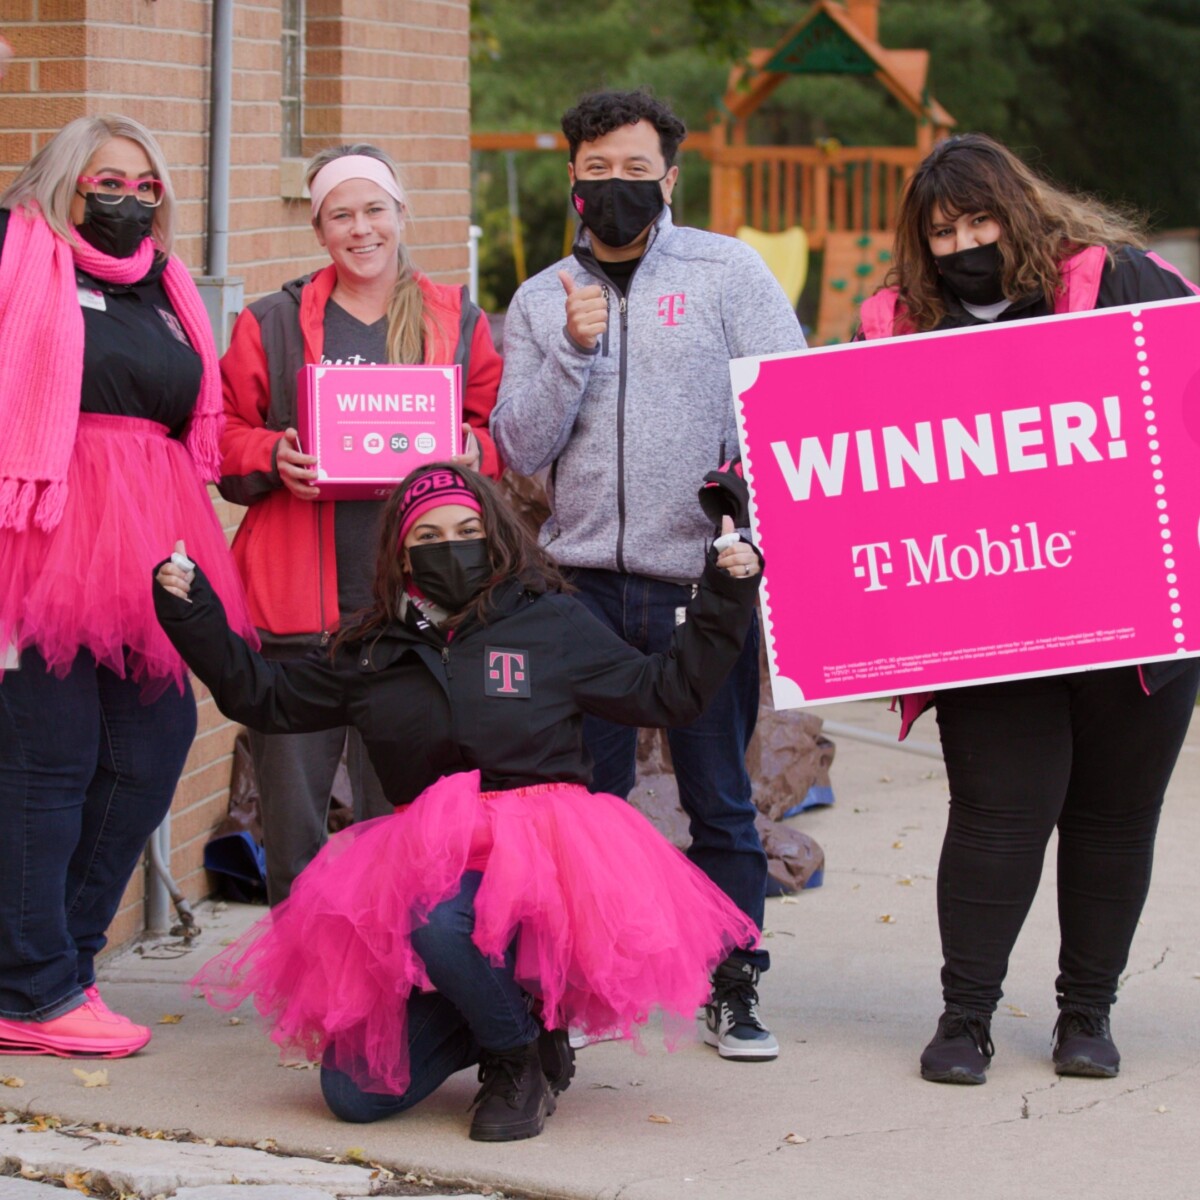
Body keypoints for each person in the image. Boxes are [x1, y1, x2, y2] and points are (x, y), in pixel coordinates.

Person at [153, 463, 764, 1141]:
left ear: (495, 537)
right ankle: (505, 1018)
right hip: (432, 865)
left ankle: (518, 1059)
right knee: (352, 1095)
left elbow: (667, 692)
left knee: (438, 918)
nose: (453, 546)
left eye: (469, 530)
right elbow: (262, 697)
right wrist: (193, 611)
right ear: (402, 552)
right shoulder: (370, 651)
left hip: (544, 872)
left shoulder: (551, 622)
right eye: (432, 534)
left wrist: (725, 590)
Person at [857, 132, 1200, 1085]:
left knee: (1113, 820)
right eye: (942, 230)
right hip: (990, 620)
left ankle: (1086, 1014)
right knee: (995, 819)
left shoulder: (1130, 282)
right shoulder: (893, 324)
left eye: (981, 218)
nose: (965, 241)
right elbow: (842, 463)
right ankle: (964, 1019)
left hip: (1138, 625)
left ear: (1022, 211)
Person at [490, 89, 807, 1062]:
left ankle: (732, 984)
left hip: (698, 585)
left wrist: (740, 489)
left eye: (638, 171)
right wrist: (575, 352)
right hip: (579, 587)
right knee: (588, 804)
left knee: (719, 797)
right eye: (599, 171)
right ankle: (588, 983)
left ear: (671, 176)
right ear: (572, 179)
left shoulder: (727, 273)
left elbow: (790, 407)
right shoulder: (543, 300)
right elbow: (517, 445)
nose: (618, 188)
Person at [0, 115, 256, 1058]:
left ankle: (51, 963)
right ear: (64, 181)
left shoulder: (164, 287)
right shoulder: (14, 253)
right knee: (46, 761)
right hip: (33, 538)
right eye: (109, 181)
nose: (130, 201)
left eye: (147, 187)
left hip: (151, 540)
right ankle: (31, 992)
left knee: (155, 739)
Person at [217, 144, 504, 905]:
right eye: (340, 214)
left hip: (414, 621)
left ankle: (402, 994)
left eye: (374, 209)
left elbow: (496, 434)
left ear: (401, 216)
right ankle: (310, 1003)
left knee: (405, 826)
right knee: (296, 830)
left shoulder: (455, 320)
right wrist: (272, 453)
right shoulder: (272, 323)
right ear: (319, 229)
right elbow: (217, 434)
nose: (361, 228)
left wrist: (472, 449)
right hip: (297, 623)